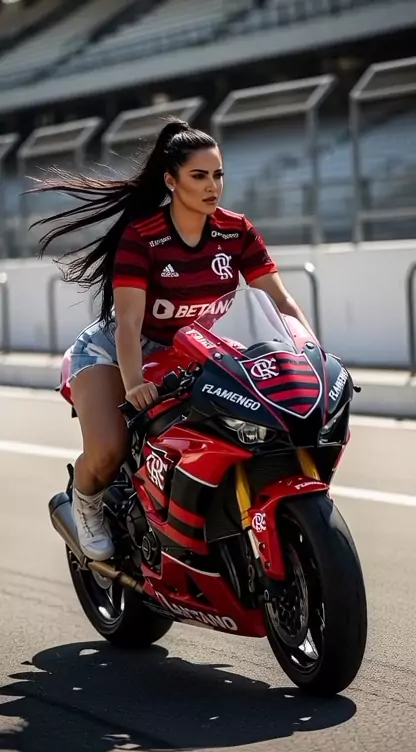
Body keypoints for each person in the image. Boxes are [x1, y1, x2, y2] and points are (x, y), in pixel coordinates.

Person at [33, 118, 315, 562]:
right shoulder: (143, 237)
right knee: (109, 449)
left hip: (191, 350)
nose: (212, 186)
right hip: (116, 354)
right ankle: (85, 504)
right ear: (171, 181)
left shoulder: (237, 230)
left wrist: (309, 353)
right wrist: (133, 384)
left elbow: (280, 302)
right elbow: (128, 323)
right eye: (199, 176)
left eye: (218, 175)